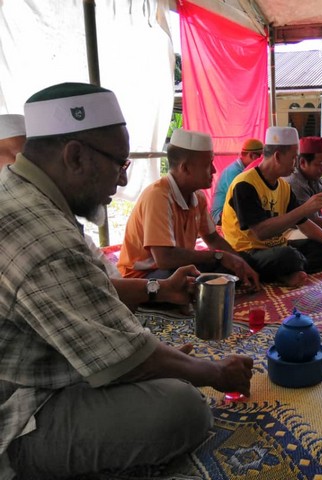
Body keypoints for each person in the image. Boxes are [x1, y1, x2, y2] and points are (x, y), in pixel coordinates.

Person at [0, 82, 254, 479]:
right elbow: (126, 353)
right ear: (75, 156)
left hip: (48, 369)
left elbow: (88, 291)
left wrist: (160, 294)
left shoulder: (27, 196)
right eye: (120, 165)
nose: (122, 182)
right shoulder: (44, 235)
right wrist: (214, 373)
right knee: (182, 408)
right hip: (20, 408)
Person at [0, 114, 200, 313]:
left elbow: (105, 284)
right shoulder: (28, 230)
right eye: (23, 161)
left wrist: (161, 289)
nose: (122, 181)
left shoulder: (59, 222)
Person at [117, 128, 260, 290]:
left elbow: (213, 239)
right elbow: (164, 258)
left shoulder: (198, 197)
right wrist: (218, 256)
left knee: (235, 266)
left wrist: (240, 262)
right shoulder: (158, 196)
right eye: (208, 165)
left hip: (178, 267)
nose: (213, 170)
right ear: (185, 168)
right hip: (145, 276)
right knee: (187, 278)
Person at [222, 127, 322, 288]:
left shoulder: (283, 186)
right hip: (247, 252)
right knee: (287, 256)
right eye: (293, 158)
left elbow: (304, 224)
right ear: (277, 156)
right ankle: (286, 269)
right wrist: (305, 209)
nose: (296, 163)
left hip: (277, 247)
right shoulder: (245, 184)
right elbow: (261, 232)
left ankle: (288, 270)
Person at [210, 138, 263, 225]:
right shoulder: (233, 172)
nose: (261, 162)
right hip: (219, 215)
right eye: (260, 157)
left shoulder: (245, 171)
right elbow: (239, 200)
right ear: (251, 155)